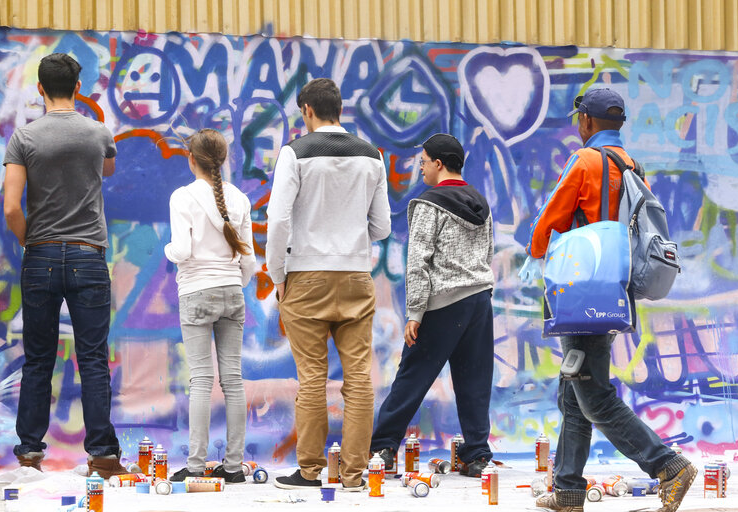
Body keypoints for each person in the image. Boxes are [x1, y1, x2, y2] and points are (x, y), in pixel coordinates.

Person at [522, 88, 697, 512]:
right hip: (615, 288)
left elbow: (552, 219)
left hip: (582, 287)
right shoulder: (631, 165)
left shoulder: (585, 161)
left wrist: (535, 253)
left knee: (592, 391)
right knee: (574, 391)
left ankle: (667, 465)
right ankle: (567, 490)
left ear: (585, 122)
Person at [2, 53, 129, 478]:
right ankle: (103, 456)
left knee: (38, 359)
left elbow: (11, 208)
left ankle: (30, 455)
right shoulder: (97, 133)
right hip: (87, 254)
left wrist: (30, 243)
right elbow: (107, 169)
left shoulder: (24, 137)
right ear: (78, 88)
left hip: (40, 255)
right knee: (92, 358)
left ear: (40, 89)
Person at [265, 78, 391, 491]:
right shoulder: (372, 156)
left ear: (306, 111)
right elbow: (382, 227)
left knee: (312, 377)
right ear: (340, 109)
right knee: (358, 377)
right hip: (356, 275)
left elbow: (279, 220)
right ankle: (356, 475)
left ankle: (310, 470)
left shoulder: (295, 153)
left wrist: (278, 277)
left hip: (305, 276)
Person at [369, 134, 495, 477]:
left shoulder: (429, 204)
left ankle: (383, 449)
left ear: (439, 164)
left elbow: (419, 262)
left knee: (412, 377)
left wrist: (414, 313)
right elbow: (488, 254)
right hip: (479, 300)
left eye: (423, 161)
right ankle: (477, 455)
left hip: (443, 304)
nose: (420, 167)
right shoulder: (480, 202)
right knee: (474, 381)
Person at [164, 128, 256, 484]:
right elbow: (248, 261)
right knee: (233, 381)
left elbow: (182, 251)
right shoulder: (240, 199)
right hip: (233, 292)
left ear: (192, 160)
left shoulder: (182, 197)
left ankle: (196, 464)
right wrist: (234, 285)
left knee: (201, 380)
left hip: (196, 292)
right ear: (223, 160)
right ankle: (233, 467)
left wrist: (168, 252)